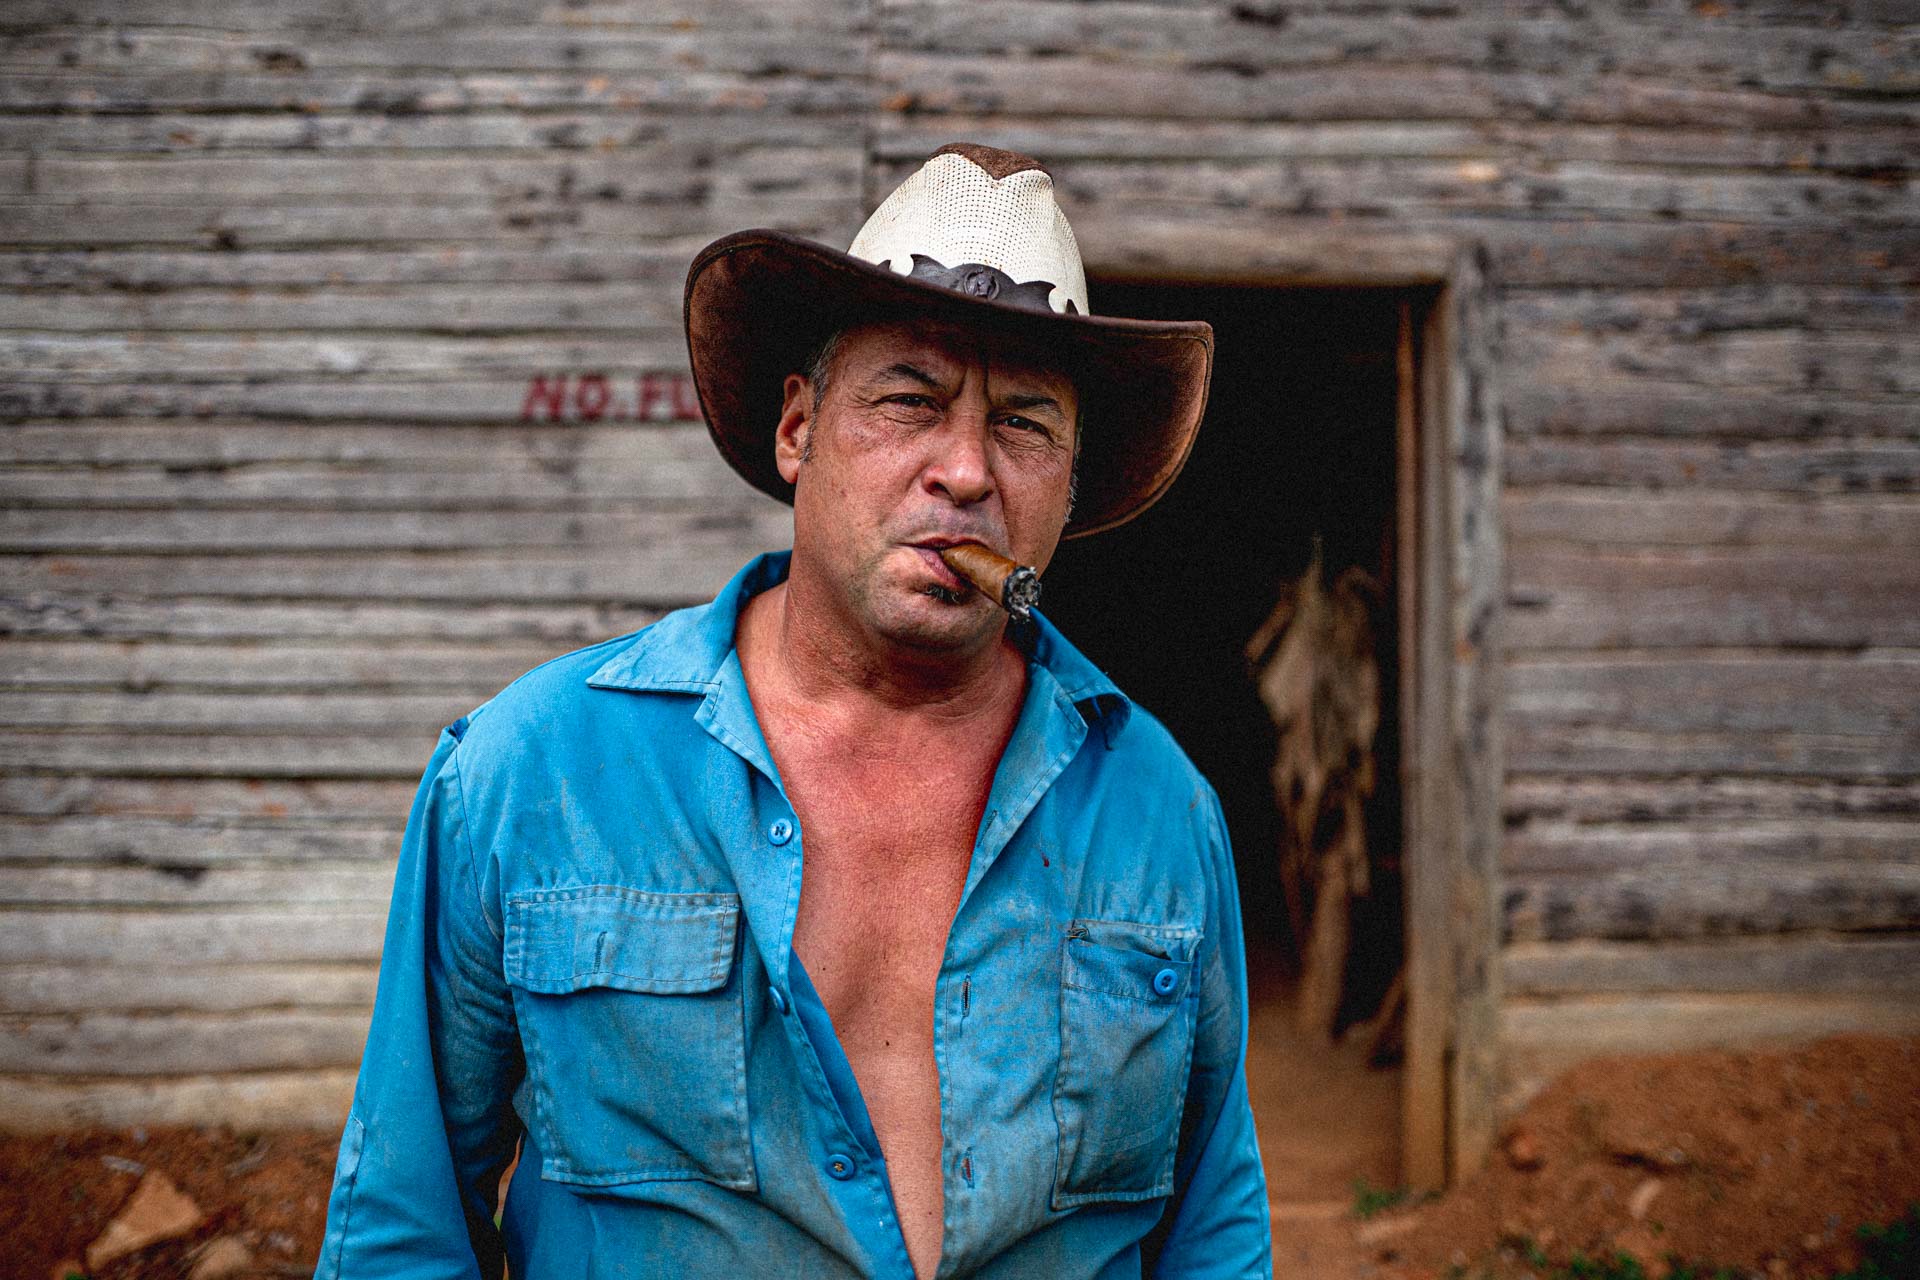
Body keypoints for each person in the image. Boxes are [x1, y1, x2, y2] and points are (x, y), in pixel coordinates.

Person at [315, 143, 1272, 1280]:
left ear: (1066, 486)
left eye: (1025, 424)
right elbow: (401, 1232)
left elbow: (1213, 1231)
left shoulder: (1159, 807)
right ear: (796, 429)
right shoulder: (532, 771)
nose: (964, 469)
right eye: (909, 400)